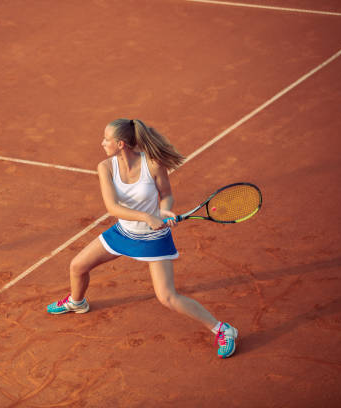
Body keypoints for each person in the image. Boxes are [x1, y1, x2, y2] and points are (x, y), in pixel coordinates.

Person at [46, 118, 238, 359]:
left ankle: (223, 329)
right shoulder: (105, 167)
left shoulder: (153, 164)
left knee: (167, 297)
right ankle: (77, 302)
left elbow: (166, 195)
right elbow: (112, 208)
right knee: (77, 266)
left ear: (121, 144)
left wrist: (165, 210)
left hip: (154, 238)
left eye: (107, 139)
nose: (102, 143)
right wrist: (147, 216)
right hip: (123, 233)